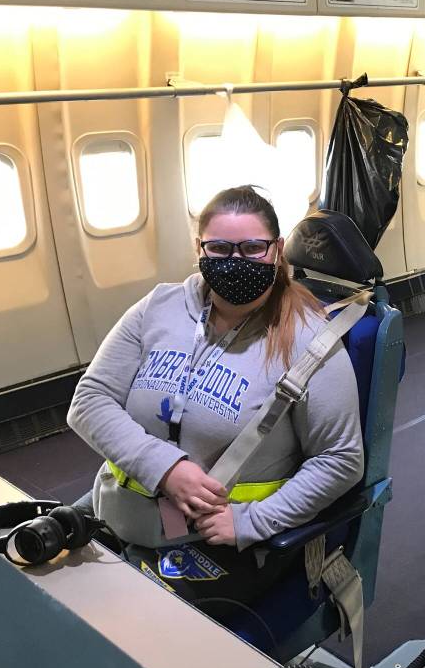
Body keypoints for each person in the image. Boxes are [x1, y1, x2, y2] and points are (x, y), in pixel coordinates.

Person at [67, 185, 364, 603]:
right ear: (199, 249)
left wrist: (252, 522)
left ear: (278, 250)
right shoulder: (159, 307)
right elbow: (90, 400)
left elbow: (341, 459)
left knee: (128, 619)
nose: (236, 261)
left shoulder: (310, 342)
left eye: (253, 248)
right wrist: (165, 469)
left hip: (218, 541)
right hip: (120, 509)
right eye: (220, 249)